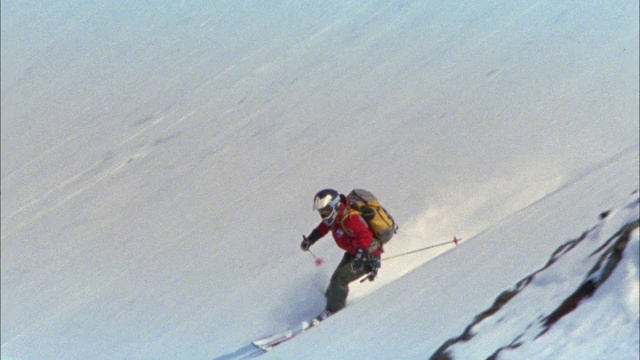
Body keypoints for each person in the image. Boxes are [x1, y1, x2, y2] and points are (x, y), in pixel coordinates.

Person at [300, 189, 383, 319]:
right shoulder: (337, 217)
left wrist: (361, 255)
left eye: (326, 210)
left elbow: (366, 236)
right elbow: (324, 227)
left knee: (339, 280)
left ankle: (334, 313)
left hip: (367, 256)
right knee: (336, 280)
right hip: (354, 253)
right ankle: (328, 303)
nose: (323, 214)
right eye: (321, 212)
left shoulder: (350, 218)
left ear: (335, 205)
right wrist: (310, 239)